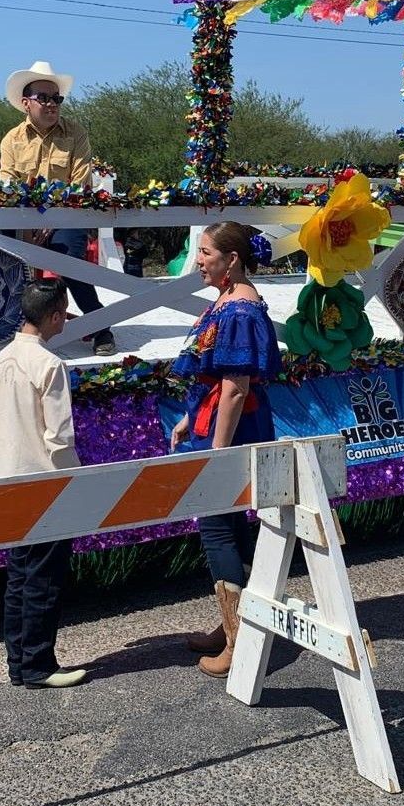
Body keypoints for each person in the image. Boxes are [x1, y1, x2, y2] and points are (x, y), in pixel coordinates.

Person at [169, 221, 282, 678]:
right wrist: (187, 415)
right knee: (229, 527)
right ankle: (233, 622)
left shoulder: (239, 310)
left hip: (229, 432)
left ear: (231, 259)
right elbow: (216, 381)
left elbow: (236, 388)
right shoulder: (229, 300)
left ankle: (239, 639)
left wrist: (218, 450)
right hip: (217, 423)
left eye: (205, 252)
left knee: (218, 529)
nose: (198, 260)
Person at [0, 278, 88, 689]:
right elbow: (59, 437)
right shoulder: (50, 365)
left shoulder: (4, 357)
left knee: (19, 575)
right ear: (54, 316)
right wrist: (75, 480)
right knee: (44, 577)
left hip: (5, 477)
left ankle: (20, 662)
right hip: (43, 480)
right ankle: (38, 664)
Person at [0, 61, 117, 357]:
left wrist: (49, 222)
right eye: (44, 98)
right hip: (23, 218)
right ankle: (16, 326)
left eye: (57, 99)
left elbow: (78, 185)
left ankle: (101, 328)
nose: (52, 104)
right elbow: (8, 187)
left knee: (71, 263)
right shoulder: (11, 139)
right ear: (26, 103)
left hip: (67, 214)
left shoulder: (76, 134)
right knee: (4, 261)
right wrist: (29, 224)